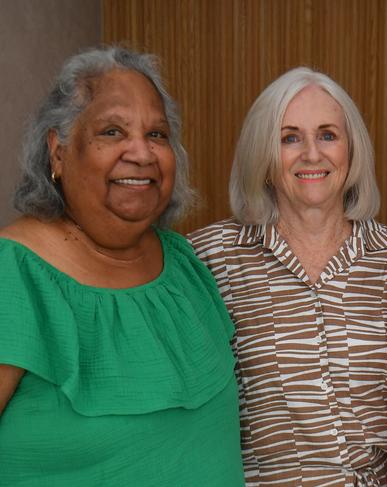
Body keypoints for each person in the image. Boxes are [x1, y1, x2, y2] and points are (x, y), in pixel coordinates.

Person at [0, 47, 244, 485]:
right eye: (112, 131)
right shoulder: (14, 273)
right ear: (58, 151)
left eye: (157, 134)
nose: (142, 153)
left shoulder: (184, 265)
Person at [189, 67, 387, 485]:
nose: (312, 153)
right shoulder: (211, 258)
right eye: (289, 137)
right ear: (263, 157)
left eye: (328, 134)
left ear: (352, 151)